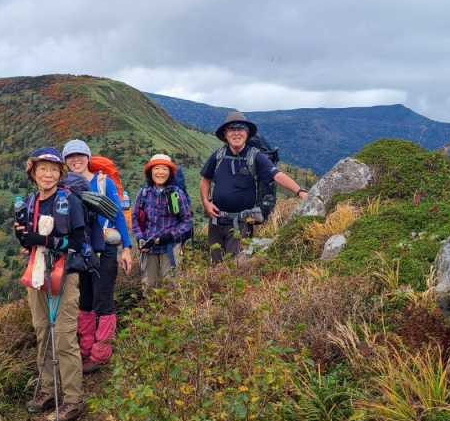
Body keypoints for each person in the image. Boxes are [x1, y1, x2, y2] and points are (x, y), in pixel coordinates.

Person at [14, 147, 86, 421]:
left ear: (60, 174)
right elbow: (27, 241)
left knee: (65, 336)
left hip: (64, 273)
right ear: (32, 173)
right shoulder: (30, 202)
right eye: (42, 169)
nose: (48, 174)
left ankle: (72, 399)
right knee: (43, 332)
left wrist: (43, 240)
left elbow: (79, 243)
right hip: (36, 272)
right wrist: (23, 236)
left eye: (53, 169)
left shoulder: (69, 201)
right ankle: (46, 389)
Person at [62, 139, 133, 374]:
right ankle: (85, 349)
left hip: (105, 250)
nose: (76, 160)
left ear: (88, 157)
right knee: (85, 301)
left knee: (103, 300)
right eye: (71, 156)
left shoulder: (104, 182)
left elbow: (118, 216)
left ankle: (101, 353)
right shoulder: (65, 185)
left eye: (80, 155)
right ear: (65, 161)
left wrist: (127, 247)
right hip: (80, 251)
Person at [200, 112, 308, 263]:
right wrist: (205, 201)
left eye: (241, 129)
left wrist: (300, 192)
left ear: (247, 133)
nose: (236, 133)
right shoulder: (218, 155)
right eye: (232, 129)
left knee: (234, 268)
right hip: (216, 223)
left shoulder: (255, 156)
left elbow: (277, 175)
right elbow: (205, 179)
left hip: (241, 224)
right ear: (225, 134)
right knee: (216, 266)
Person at [133, 154, 193, 287]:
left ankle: (170, 309)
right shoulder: (143, 193)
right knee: (148, 285)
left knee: (171, 286)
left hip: (170, 246)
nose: (160, 172)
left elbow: (187, 220)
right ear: (150, 172)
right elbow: (135, 219)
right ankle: (149, 308)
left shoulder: (176, 194)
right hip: (149, 247)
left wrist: (171, 235)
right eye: (157, 168)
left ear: (170, 173)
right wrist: (140, 238)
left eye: (165, 169)